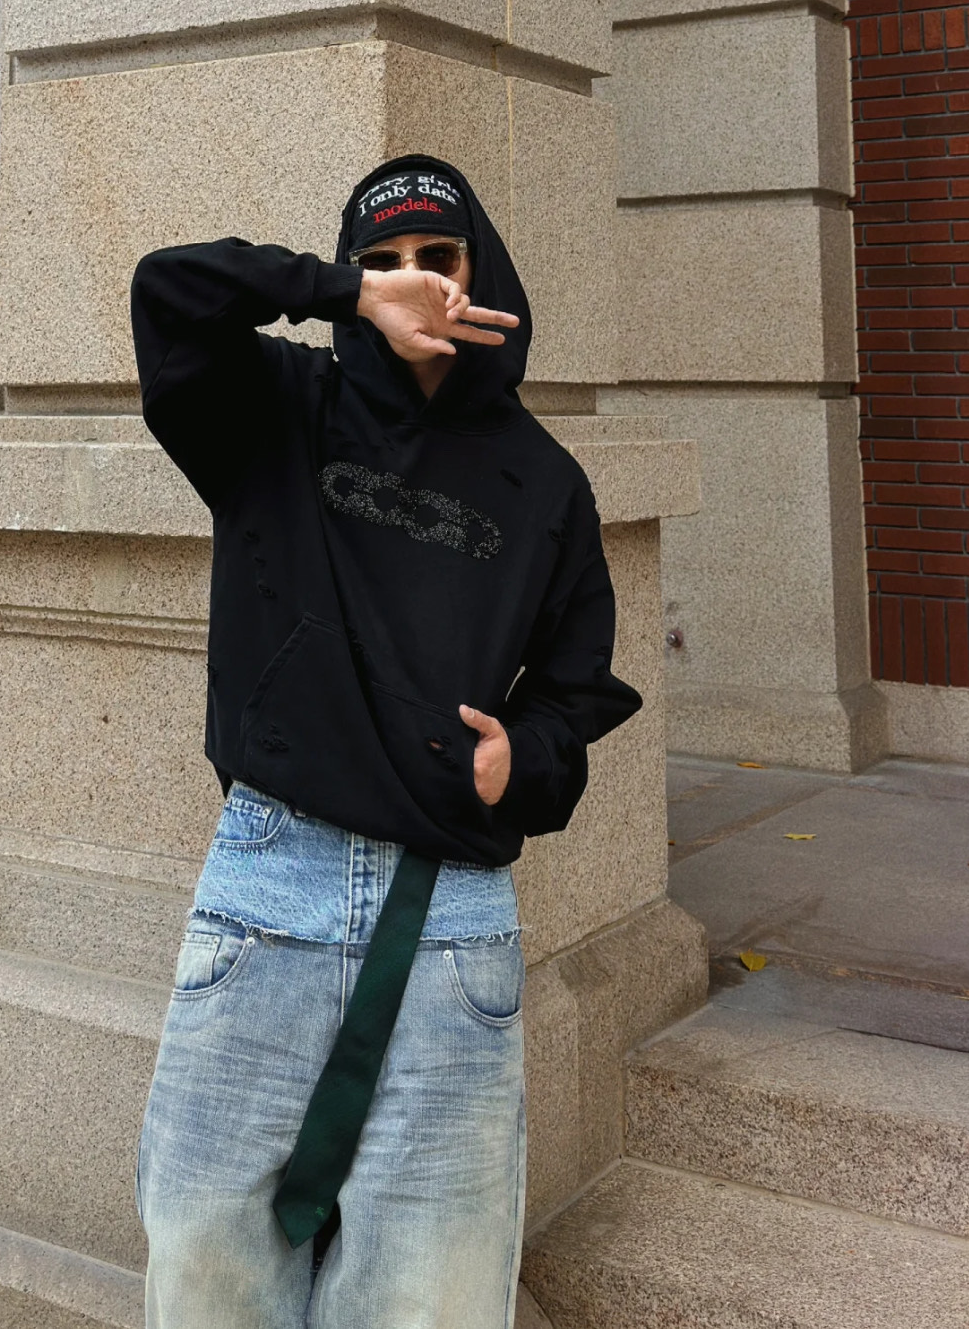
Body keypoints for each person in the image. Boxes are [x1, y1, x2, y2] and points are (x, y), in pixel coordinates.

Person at [128, 154, 643, 1329]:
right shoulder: (273, 406)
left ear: (481, 270)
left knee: (431, 1293)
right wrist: (339, 292)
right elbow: (169, 289)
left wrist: (523, 759)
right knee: (206, 1271)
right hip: (270, 880)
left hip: (448, 908)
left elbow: (579, 688)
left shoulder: (544, 482)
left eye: (438, 256)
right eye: (386, 259)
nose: (416, 278)